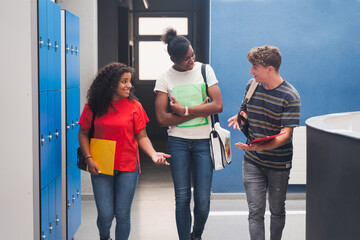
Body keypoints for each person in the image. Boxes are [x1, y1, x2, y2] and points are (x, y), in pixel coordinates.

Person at [78, 62, 170, 240]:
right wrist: (89, 158)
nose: (129, 85)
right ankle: (104, 237)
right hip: (100, 165)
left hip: (128, 166)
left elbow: (142, 137)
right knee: (105, 216)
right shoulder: (93, 106)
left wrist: (153, 153)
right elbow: (82, 133)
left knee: (123, 215)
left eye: (129, 81)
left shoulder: (134, 106)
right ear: (111, 84)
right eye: (124, 81)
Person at [154, 28, 223, 240]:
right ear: (173, 58)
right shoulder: (164, 78)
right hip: (178, 143)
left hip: (204, 142)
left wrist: (184, 111)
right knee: (182, 198)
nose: (191, 61)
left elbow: (218, 106)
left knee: (202, 200)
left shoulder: (205, 70)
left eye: (192, 55)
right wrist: (199, 110)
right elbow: (162, 119)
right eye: (186, 59)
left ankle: (196, 235)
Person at [228, 45, 301, 240]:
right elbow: (244, 108)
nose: (251, 71)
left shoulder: (290, 96)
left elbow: (285, 135)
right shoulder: (251, 85)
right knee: (255, 212)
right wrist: (240, 117)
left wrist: (262, 146)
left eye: (255, 67)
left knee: (277, 211)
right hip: (252, 160)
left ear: (270, 68)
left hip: (278, 164)